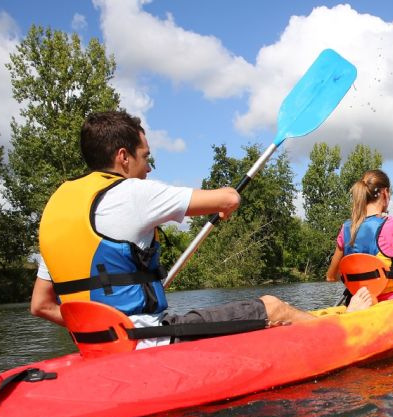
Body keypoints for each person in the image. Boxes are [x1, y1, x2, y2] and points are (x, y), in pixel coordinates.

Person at [31, 111, 372, 349]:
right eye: (145, 157)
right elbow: (228, 197)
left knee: (256, 320)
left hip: (99, 348)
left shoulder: (56, 210)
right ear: (123, 157)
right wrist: (225, 203)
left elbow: (41, 305)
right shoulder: (131, 193)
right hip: (145, 341)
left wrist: (104, 333)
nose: (148, 168)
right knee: (272, 306)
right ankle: (346, 328)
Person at [325, 169, 393, 301]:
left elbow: (331, 277)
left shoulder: (346, 228)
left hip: (360, 302)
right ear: (385, 193)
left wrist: (358, 280)